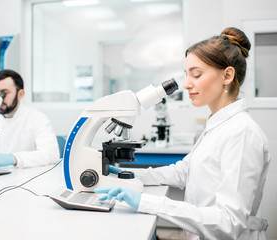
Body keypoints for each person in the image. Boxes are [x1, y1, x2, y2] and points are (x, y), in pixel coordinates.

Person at [95, 27, 271, 240]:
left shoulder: (242, 133)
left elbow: (228, 222)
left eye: (196, 74)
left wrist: (145, 202)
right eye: (187, 74)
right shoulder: (218, 125)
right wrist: (130, 176)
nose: (187, 84)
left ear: (227, 75)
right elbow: (184, 172)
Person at [0, 69, 60, 168]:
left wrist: (14, 158)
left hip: (27, 178)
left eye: (4, 93)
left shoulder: (37, 118)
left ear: (20, 94)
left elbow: (51, 155)